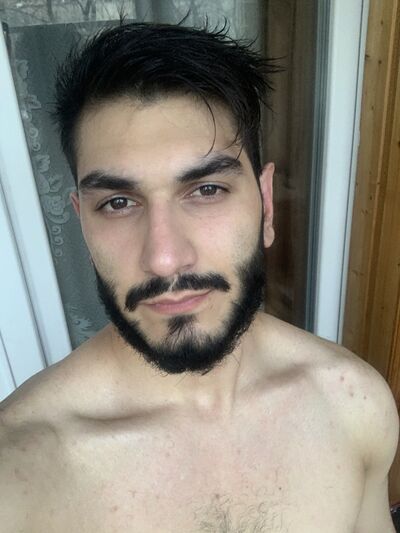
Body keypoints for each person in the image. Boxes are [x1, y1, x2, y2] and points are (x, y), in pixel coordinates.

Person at [0, 21, 398, 533]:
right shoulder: (20, 472)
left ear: (266, 205)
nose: (165, 259)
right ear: (82, 222)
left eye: (207, 190)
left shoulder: (354, 406)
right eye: (118, 203)